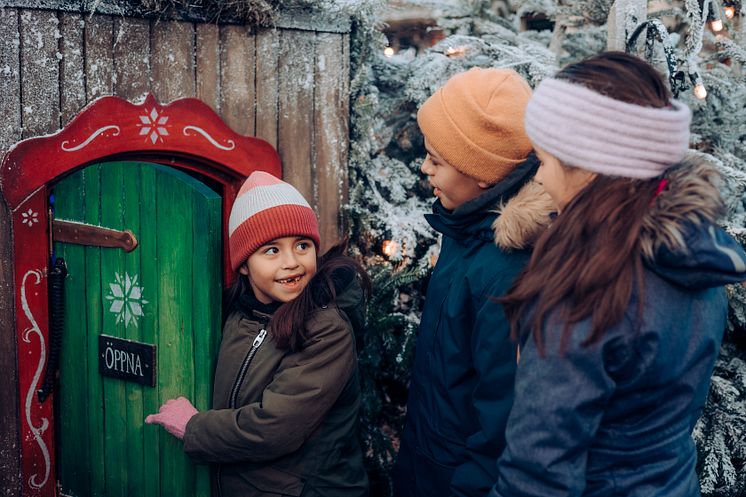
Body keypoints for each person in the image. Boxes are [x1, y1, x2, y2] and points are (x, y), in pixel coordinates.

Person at [490, 51, 746, 497]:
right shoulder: (694, 259)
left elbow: (536, 476)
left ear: (590, 169)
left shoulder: (585, 293)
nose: (542, 182)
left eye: (546, 163)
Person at [146, 171, 370, 497]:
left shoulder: (325, 328)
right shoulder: (236, 315)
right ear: (243, 264)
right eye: (271, 251)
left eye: (302, 245)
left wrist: (194, 427)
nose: (292, 262)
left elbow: (277, 428)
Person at [392, 67, 554, 497]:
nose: (424, 168)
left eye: (437, 160)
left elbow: (500, 425)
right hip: (428, 461)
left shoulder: (505, 275)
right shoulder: (466, 231)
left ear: (481, 172)